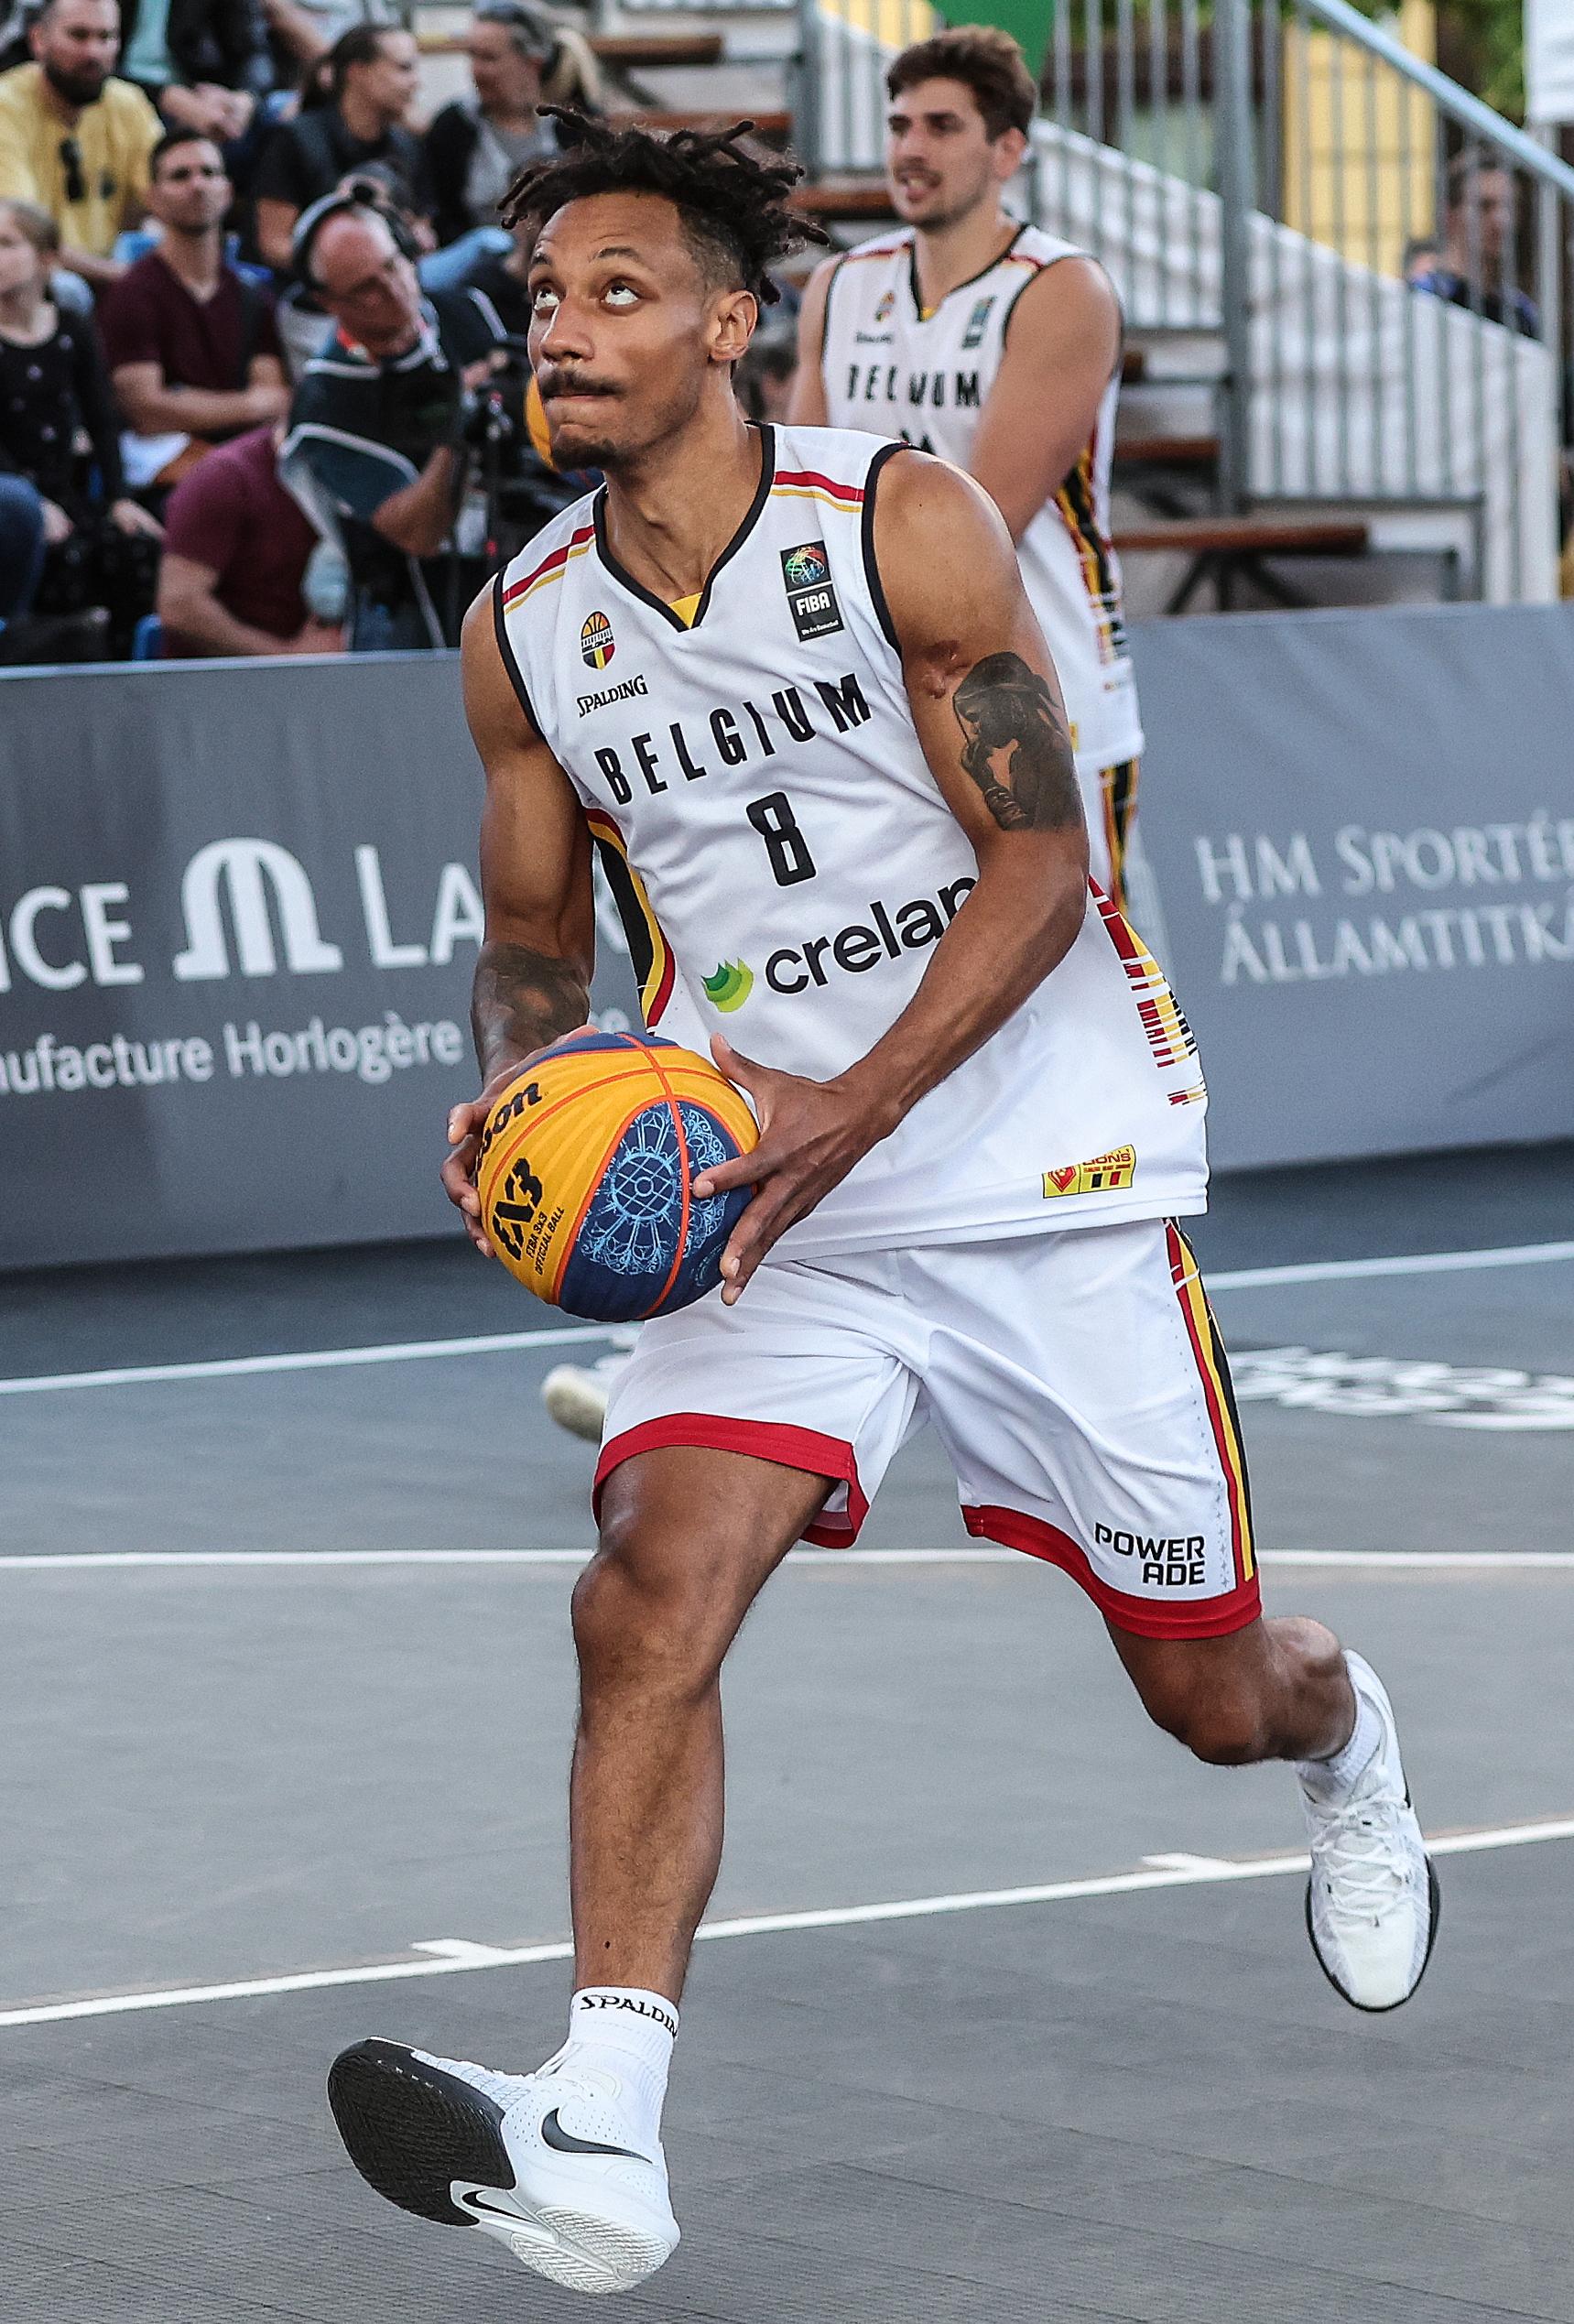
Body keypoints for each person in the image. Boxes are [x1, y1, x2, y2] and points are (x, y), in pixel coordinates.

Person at [322, 114, 1441, 2300]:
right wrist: (518, 1094)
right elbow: (538, 942)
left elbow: (1043, 866)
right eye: (542, 301)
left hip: (1035, 1166)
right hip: (770, 1184)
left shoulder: (896, 525)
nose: (563, 331)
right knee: (643, 1588)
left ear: (729, 325)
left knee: (1206, 1691)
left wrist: (857, 1103)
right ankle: (604, 2128)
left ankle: (1353, 1737)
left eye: (618, 292)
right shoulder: (527, 630)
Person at [793, 24, 1144, 916]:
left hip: (1044, 688)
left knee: (1082, 992)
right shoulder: (841, 285)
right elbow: (794, 505)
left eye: (943, 126)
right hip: (883, 696)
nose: (911, 148)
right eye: (901, 124)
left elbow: (985, 524)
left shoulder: (1063, 288)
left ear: (1007, 150)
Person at [278, 188, 505, 646]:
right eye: (366, 287)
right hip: (416, 609)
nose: (394, 289)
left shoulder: (464, 308)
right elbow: (418, 532)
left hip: (518, 558)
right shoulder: (325, 405)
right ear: (328, 303)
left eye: (393, 264)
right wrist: (456, 429)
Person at [0, 193, 161, 649]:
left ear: (46, 259)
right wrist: (33, 507)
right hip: (13, 497)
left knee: (133, 545)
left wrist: (118, 497)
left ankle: (128, 673)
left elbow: (102, 417)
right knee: (59, 554)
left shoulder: (71, 326)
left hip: (68, 492)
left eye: (8, 243)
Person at [100, 128, 287, 491]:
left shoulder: (252, 295)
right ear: (153, 199)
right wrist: (248, 405)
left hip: (244, 458)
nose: (198, 185)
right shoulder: (131, 295)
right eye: (180, 176)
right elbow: (146, 412)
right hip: (169, 472)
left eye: (209, 173)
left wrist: (184, 403)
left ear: (228, 191)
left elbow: (276, 398)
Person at [0, 0, 161, 288]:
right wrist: (124, 277)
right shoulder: (6, 106)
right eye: (78, 35)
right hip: (38, 282)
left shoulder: (129, 103)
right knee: (65, 288)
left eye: (106, 37)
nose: (93, 52)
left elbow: (165, 199)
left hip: (116, 273)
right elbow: (24, 233)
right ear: (38, 40)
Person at [251, 21, 429, 272]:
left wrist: (419, 236)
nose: (416, 82)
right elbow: (274, 245)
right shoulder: (294, 139)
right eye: (404, 68)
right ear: (357, 72)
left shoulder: (407, 145)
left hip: (398, 280)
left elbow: (422, 224)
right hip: (314, 293)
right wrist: (349, 265)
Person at [157, 416, 340, 649]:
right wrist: (285, 658)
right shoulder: (224, 478)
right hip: (224, 677)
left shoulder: (361, 480)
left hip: (337, 664)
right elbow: (179, 605)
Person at [424, 0, 558, 252]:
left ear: (532, 63)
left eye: (489, 58)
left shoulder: (567, 128)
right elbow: (441, 218)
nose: (476, 70)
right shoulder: (454, 126)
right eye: (472, 56)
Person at [1410, 151, 1538, 338]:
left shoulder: (1522, 312)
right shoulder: (1422, 298)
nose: (1502, 220)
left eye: (1510, 206)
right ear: (1448, 214)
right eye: (1485, 206)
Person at [116, 0, 269, 144]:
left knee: (278, 119)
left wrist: (244, 99)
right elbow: (98, 61)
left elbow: (255, 53)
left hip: (206, 95)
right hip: (124, 89)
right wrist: (167, 97)